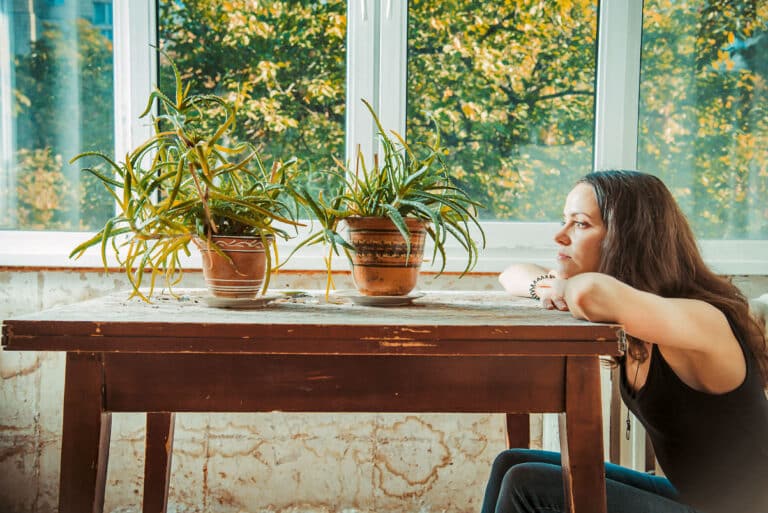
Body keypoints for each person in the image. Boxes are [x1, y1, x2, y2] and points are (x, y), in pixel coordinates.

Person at [483, 170, 768, 513]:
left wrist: (561, 287)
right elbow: (510, 274)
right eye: (565, 221)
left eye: (581, 224)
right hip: (697, 500)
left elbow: (589, 293)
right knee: (511, 462)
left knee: (526, 483)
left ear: (626, 238)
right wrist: (548, 286)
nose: (560, 236)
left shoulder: (700, 320)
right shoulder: (641, 315)